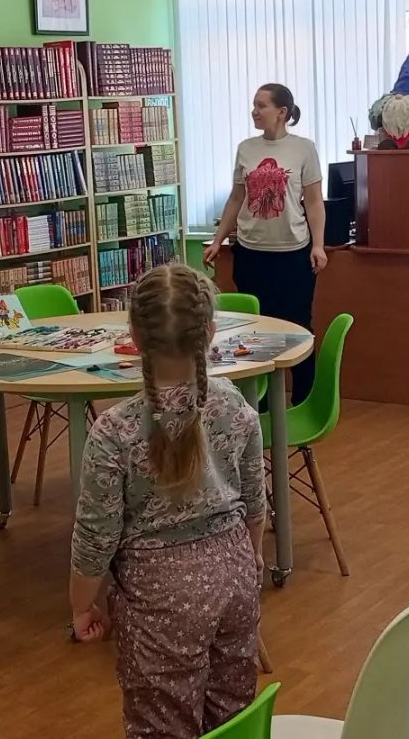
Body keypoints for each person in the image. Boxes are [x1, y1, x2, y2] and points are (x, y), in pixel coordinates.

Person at [69, 263, 268, 738]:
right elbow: (255, 500)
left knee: (162, 723)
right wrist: (255, 557)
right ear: (210, 333)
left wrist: (81, 607)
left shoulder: (114, 431)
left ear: (134, 338)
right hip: (235, 573)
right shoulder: (235, 405)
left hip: (158, 593)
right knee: (234, 715)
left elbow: (95, 538)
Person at [202, 83, 326, 402]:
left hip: (293, 254)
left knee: (298, 326)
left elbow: (314, 202)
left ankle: (302, 400)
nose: (254, 111)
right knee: (256, 331)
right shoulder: (246, 148)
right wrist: (218, 240)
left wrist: (318, 245)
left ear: (281, 112)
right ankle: (260, 404)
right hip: (251, 253)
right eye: (254, 105)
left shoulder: (304, 148)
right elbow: (236, 198)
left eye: (261, 105)